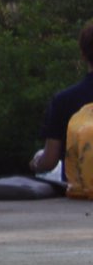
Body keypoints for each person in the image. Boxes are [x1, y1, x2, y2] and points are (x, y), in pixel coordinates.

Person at [30, 19, 93, 184]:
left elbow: (49, 161)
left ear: (83, 55)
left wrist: (36, 163)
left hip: (80, 191)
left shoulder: (63, 100)